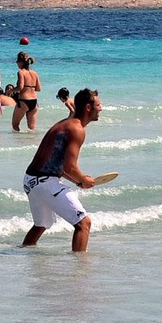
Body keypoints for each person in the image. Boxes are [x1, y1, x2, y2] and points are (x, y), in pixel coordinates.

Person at [21, 87, 104, 252]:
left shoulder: (66, 124)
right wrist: (83, 179)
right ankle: (79, 270)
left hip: (30, 180)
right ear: (88, 107)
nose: (101, 109)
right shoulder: (77, 129)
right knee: (83, 223)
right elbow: (70, 166)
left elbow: (59, 164)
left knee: (41, 224)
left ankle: (24, 254)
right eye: (98, 105)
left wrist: (78, 181)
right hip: (44, 182)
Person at [12, 52, 41, 133]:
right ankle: (31, 144)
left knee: (15, 125)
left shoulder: (21, 72)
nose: (17, 63)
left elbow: (20, 87)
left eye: (17, 61)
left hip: (24, 101)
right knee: (32, 128)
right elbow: (38, 88)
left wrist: (10, 90)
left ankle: (17, 143)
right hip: (34, 101)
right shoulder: (35, 73)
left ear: (21, 62)